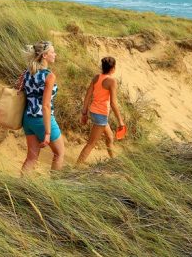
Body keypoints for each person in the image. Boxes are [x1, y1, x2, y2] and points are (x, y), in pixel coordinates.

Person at [20, 41, 65, 172]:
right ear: (44, 55)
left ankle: (20, 187)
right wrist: (47, 133)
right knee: (59, 153)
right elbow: (45, 105)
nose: (55, 54)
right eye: (52, 52)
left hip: (27, 119)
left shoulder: (28, 72)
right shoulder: (49, 76)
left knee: (31, 158)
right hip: (42, 119)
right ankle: (55, 187)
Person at [76, 57, 125, 165]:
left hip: (93, 112)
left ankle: (113, 161)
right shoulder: (111, 81)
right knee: (91, 143)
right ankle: (76, 166)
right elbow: (113, 103)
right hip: (101, 115)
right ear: (113, 68)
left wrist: (84, 113)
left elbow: (88, 96)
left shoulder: (96, 77)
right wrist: (120, 121)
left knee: (109, 137)